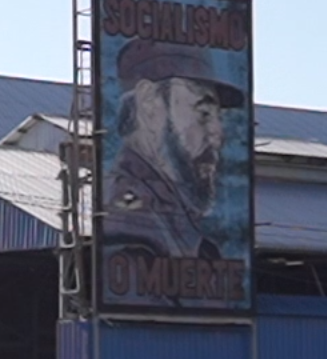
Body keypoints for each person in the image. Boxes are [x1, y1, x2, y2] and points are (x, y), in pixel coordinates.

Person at [101, 38, 245, 264]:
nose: (218, 133)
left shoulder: (173, 217)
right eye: (203, 112)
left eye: (219, 116)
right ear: (149, 103)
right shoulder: (131, 227)